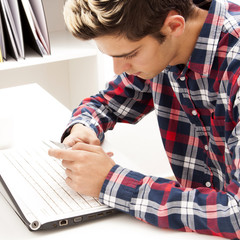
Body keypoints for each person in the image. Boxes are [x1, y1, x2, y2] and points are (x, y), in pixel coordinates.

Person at [48, 0, 240, 238]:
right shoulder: (164, 47)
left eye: (130, 54)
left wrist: (110, 181)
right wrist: (82, 129)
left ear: (173, 26)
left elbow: (236, 215)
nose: (119, 69)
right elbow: (104, 103)